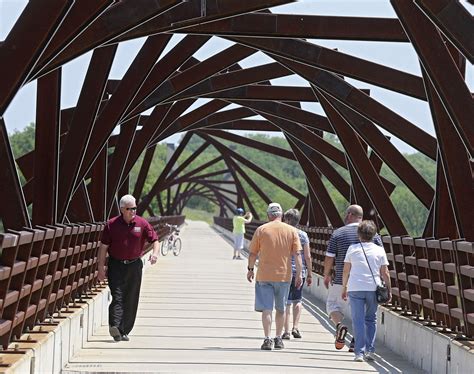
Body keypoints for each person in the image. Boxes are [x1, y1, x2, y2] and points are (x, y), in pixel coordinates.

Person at [97, 194, 160, 342]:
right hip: (116, 265)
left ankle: (124, 331)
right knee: (117, 296)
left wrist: (155, 254)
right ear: (122, 209)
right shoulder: (111, 225)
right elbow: (103, 247)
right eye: (129, 209)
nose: (133, 211)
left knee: (131, 298)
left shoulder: (142, 224)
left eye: (134, 208)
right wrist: (100, 267)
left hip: (134, 265)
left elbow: (155, 239)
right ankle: (114, 326)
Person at [323, 205, 382, 351]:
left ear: (349, 215)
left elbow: (329, 257)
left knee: (332, 306)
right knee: (361, 314)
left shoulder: (338, 233)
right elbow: (381, 258)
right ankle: (356, 342)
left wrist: (326, 274)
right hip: (368, 282)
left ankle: (339, 325)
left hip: (341, 280)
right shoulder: (374, 235)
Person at [247, 202, 303, 351]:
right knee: (281, 308)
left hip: (264, 275)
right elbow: (297, 254)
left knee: (267, 309)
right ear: (281, 215)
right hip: (284, 276)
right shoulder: (291, 231)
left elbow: (253, 253)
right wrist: (299, 274)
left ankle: (267, 339)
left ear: (268, 215)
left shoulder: (261, 229)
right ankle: (278, 338)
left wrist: (250, 269)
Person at [342, 220, 391, 362]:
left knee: (358, 320)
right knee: (371, 319)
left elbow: (346, 270)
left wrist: (344, 287)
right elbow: (385, 273)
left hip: (355, 287)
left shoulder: (352, 249)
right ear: (374, 235)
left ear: (359, 235)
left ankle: (359, 352)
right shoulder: (379, 250)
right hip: (373, 288)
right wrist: (389, 289)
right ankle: (370, 350)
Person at [281, 209, 313, 340]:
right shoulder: (303, 235)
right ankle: (296, 327)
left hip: (285, 271)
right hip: (300, 272)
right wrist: (310, 273)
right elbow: (308, 256)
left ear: (287, 220)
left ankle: (286, 331)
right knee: (298, 300)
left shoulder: (282, 233)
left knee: (286, 302)